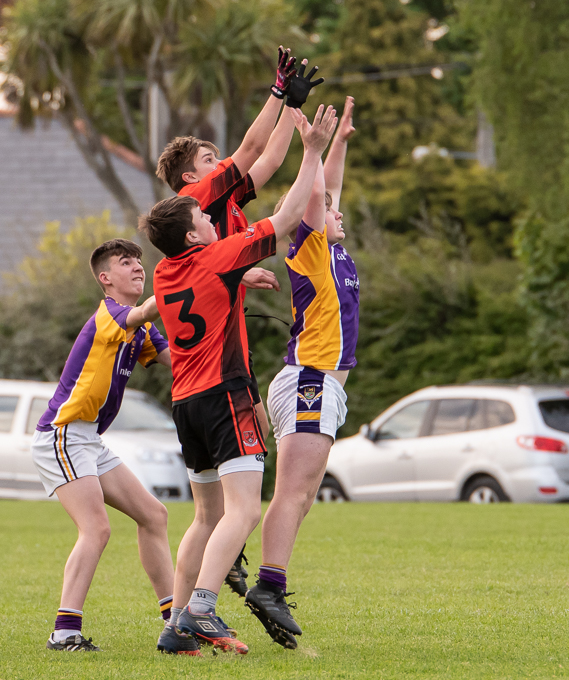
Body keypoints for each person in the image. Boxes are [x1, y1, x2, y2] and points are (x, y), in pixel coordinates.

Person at [139, 103, 338, 656]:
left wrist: (238, 271)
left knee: (205, 517)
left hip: (184, 402)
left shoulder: (166, 268)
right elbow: (291, 216)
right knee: (244, 510)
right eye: (203, 219)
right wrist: (314, 152)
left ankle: (175, 625)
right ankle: (203, 607)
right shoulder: (215, 255)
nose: (211, 219)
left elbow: (204, 278)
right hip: (226, 395)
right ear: (196, 235)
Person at [245, 97, 359, 650]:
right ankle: (268, 585)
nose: (340, 212)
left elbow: (327, 190)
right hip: (310, 378)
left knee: (304, 494)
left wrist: (337, 145)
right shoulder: (310, 245)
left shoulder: (333, 251)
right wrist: (312, 147)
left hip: (321, 382)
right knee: (290, 493)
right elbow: (316, 194)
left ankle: (265, 581)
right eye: (331, 210)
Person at [31, 239, 174, 652]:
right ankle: (63, 632)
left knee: (154, 515)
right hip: (62, 433)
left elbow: (178, 361)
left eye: (139, 262)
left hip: (88, 438)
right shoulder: (112, 315)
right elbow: (147, 309)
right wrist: (189, 274)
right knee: (96, 528)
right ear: (105, 279)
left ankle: (175, 620)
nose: (137, 268)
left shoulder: (139, 327)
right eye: (126, 263)